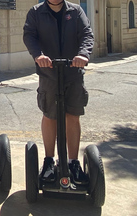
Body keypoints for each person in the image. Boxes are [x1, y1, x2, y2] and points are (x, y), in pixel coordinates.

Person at [23, 0, 94, 184]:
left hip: (73, 73)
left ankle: (73, 162)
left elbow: (87, 34)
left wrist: (83, 54)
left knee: (73, 115)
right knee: (50, 115)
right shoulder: (36, 12)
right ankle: (48, 161)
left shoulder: (76, 11)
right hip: (49, 74)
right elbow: (29, 35)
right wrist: (38, 55)